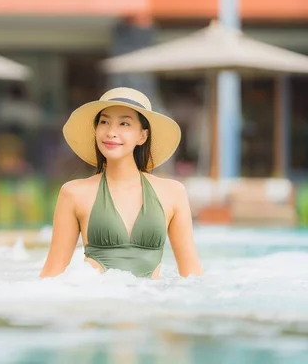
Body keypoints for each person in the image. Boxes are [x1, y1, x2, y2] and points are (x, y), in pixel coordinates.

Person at [39, 87, 203, 279]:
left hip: (151, 301)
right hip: (96, 301)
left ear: (142, 136)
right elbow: (52, 274)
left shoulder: (172, 192)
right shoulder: (74, 193)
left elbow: (192, 274)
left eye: (124, 123)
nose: (111, 132)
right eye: (104, 122)